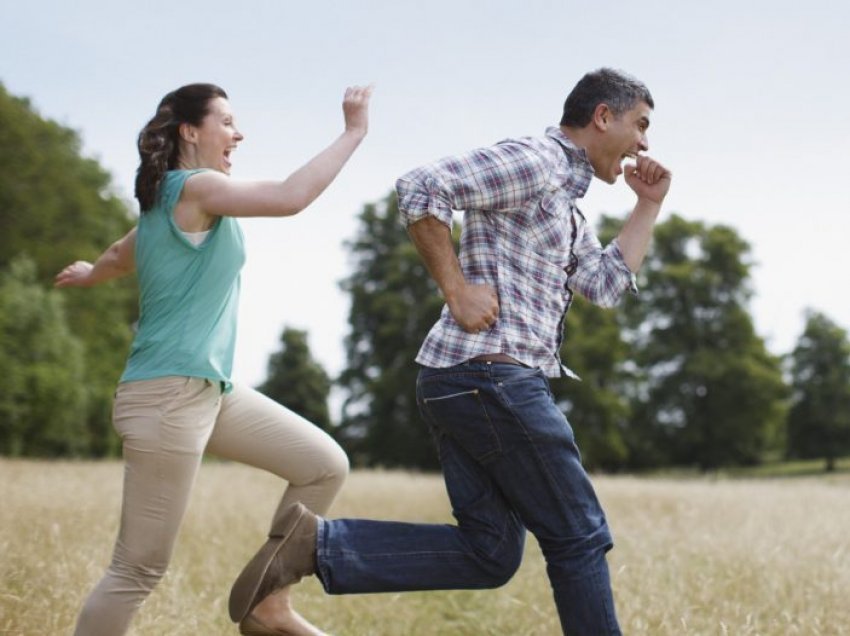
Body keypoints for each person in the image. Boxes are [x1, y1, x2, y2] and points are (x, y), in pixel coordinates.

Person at [228, 67, 671, 635]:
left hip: (467, 381)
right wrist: (456, 289)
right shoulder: (538, 160)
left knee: (490, 552)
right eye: (640, 124)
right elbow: (421, 185)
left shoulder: (566, 201)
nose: (645, 143)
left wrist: (648, 205)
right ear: (602, 117)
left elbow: (604, 285)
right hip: (491, 376)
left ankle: (316, 545)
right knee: (579, 533)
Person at [55, 81, 372, 636]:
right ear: (190, 132)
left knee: (323, 465)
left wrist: (90, 273)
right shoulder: (195, 188)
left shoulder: (163, 205)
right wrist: (353, 132)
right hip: (166, 396)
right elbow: (289, 197)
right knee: (137, 569)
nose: (237, 133)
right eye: (226, 121)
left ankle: (267, 604)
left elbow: (116, 254)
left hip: (207, 391)